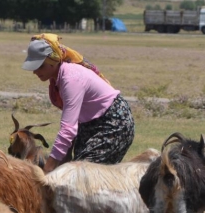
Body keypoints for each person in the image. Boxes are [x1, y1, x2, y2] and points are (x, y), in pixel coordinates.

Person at [22, 33, 134, 173]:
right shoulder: (57, 79)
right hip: (90, 123)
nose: (35, 71)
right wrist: (60, 165)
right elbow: (71, 127)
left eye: (40, 65)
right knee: (72, 173)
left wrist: (47, 171)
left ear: (53, 61)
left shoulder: (71, 79)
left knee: (83, 175)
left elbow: (68, 129)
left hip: (113, 123)